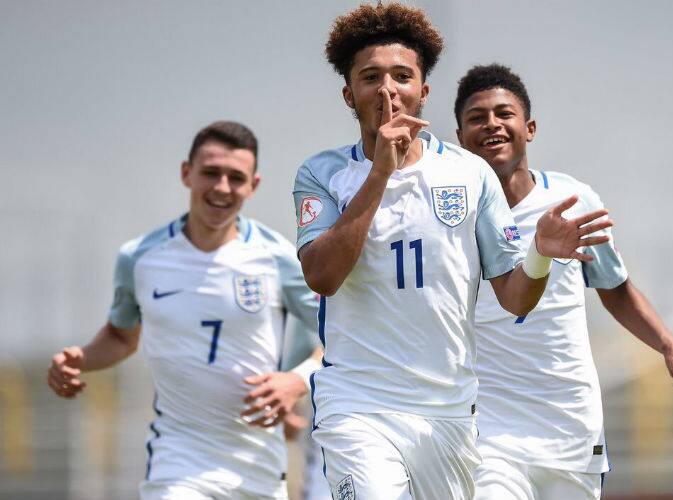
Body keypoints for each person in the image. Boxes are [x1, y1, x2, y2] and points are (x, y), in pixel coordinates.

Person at [292, 4, 614, 500]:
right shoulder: (322, 175)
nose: (387, 90)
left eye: (402, 76)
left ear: (423, 91)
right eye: (370, 77)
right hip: (358, 404)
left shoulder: (469, 173)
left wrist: (540, 255)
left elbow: (514, 298)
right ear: (347, 94)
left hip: (448, 411)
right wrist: (381, 171)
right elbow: (322, 277)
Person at [454, 64, 673, 500]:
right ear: (460, 137)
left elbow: (614, 287)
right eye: (477, 117)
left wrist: (666, 342)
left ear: (529, 128)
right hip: (490, 434)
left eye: (503, 113)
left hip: (571, 430)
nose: (491, 124)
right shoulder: (452, 215)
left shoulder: (572, 200)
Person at [47, 121, 322, 500]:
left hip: (257, 467)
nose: (222, 187)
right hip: (177, 460)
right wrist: (80, 358)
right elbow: (120, 336)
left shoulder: (278, 258)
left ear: (253, 185)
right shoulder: (139, 257)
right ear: (186, 173)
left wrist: (297, 380)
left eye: (236, 177)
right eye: (211, 173)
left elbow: (339, 335)